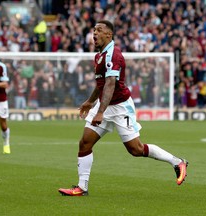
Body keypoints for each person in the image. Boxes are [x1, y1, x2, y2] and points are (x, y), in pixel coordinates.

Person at [58, 20, 188, 196]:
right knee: (85, 143)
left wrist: (101, 112)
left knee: (136, 149)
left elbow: (111, 84)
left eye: (99, 30)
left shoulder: (113, 55)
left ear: (108, 34)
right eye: (94, 30)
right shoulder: (100, 55)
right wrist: (90, 102)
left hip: (120, 107)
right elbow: (102, 84)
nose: (94, 33)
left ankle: (177, 162)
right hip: (104, 104)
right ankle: (82, 187)